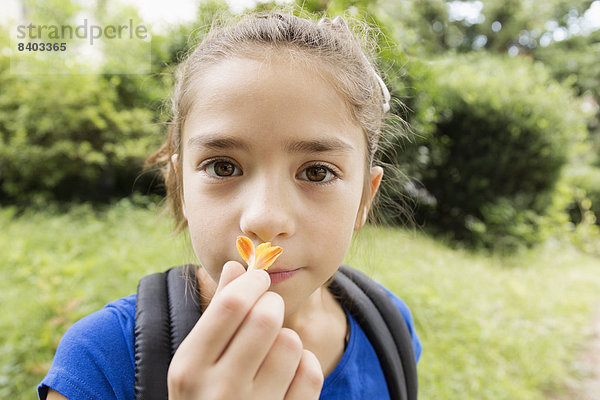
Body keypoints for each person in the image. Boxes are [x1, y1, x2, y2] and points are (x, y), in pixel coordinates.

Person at [38, 11, 422, 400]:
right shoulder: (100, 364)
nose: (264, 219)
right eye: (223, 167)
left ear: (364, 199)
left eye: (317, 173)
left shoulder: (389, 327)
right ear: (180, 186)